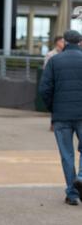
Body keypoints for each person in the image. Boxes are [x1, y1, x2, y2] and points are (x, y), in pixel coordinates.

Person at [39, 29, 82, 206]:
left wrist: (53, 108)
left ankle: (72, 194)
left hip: (61, 116)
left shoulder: (54, 61)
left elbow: (44, 89)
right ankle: (81, 177)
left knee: (67, 155)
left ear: (64, 42)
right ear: (79, 42)